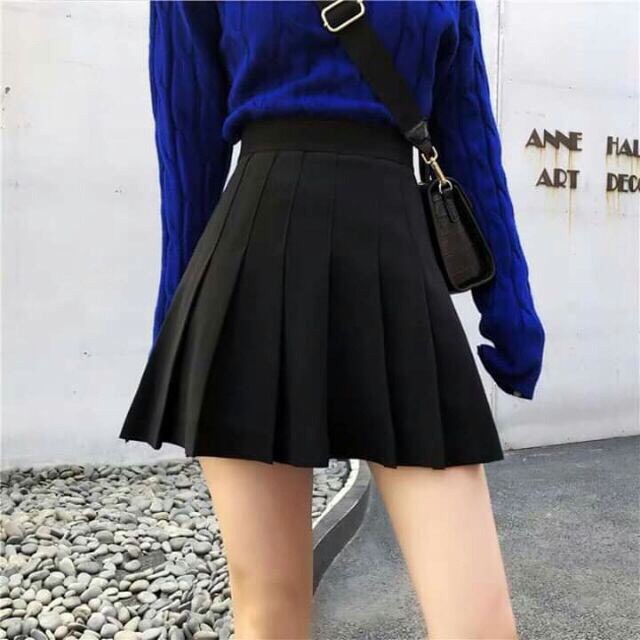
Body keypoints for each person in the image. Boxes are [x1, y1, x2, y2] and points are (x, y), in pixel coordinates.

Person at [119, 1, 545, 638]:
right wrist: (175, 322)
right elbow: (186, 142)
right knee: (270, 609)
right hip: (251, 266)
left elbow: (469, 139)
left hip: (398, 265)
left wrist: (510, 306)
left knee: (480, 623)